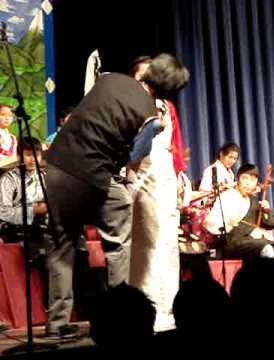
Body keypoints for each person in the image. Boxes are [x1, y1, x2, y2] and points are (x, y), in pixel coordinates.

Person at [44, 53, 189, 338]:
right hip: (96, 173)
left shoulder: (108, 80)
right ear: (168, 90)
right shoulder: (151, 116)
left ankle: (56, 324)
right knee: (118, 243)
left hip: (58, 167)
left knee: (62, 245)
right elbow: (134, 156)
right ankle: (117, 319)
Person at [128, 56, 188, 332]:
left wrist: (177, 175)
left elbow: (174, 145)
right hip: (143, 172)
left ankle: (168, 307)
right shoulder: (134, 104)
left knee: (168, 242)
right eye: (141, 76)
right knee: (148, 240)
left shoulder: (167, 106)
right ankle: (146, 308)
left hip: (164, 173)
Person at [203, 163, 274, 268]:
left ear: (256, 182)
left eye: (252, 180)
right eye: (245, 178)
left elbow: (271, 224)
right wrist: (229, 223)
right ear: (238, 179)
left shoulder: (254, 201)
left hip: (254, 243)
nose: (248, 183)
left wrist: (267, 210)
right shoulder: (227, 196)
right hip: (234, 243)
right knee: (266, 248)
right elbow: (209, 223)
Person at [0, 137, 47, 257]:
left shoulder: (45, 177)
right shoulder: (8, 179)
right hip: (17, 229)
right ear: (18, 156)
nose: (33, 159)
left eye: (36, 155)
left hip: (43, 226)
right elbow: (4, 213)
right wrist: (34, 210)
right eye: (28, 155)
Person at [0, 103, 17, 168]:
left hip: (11, 168)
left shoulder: (12, 138)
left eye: (10, 116)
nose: (7, 118)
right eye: (3, 115)